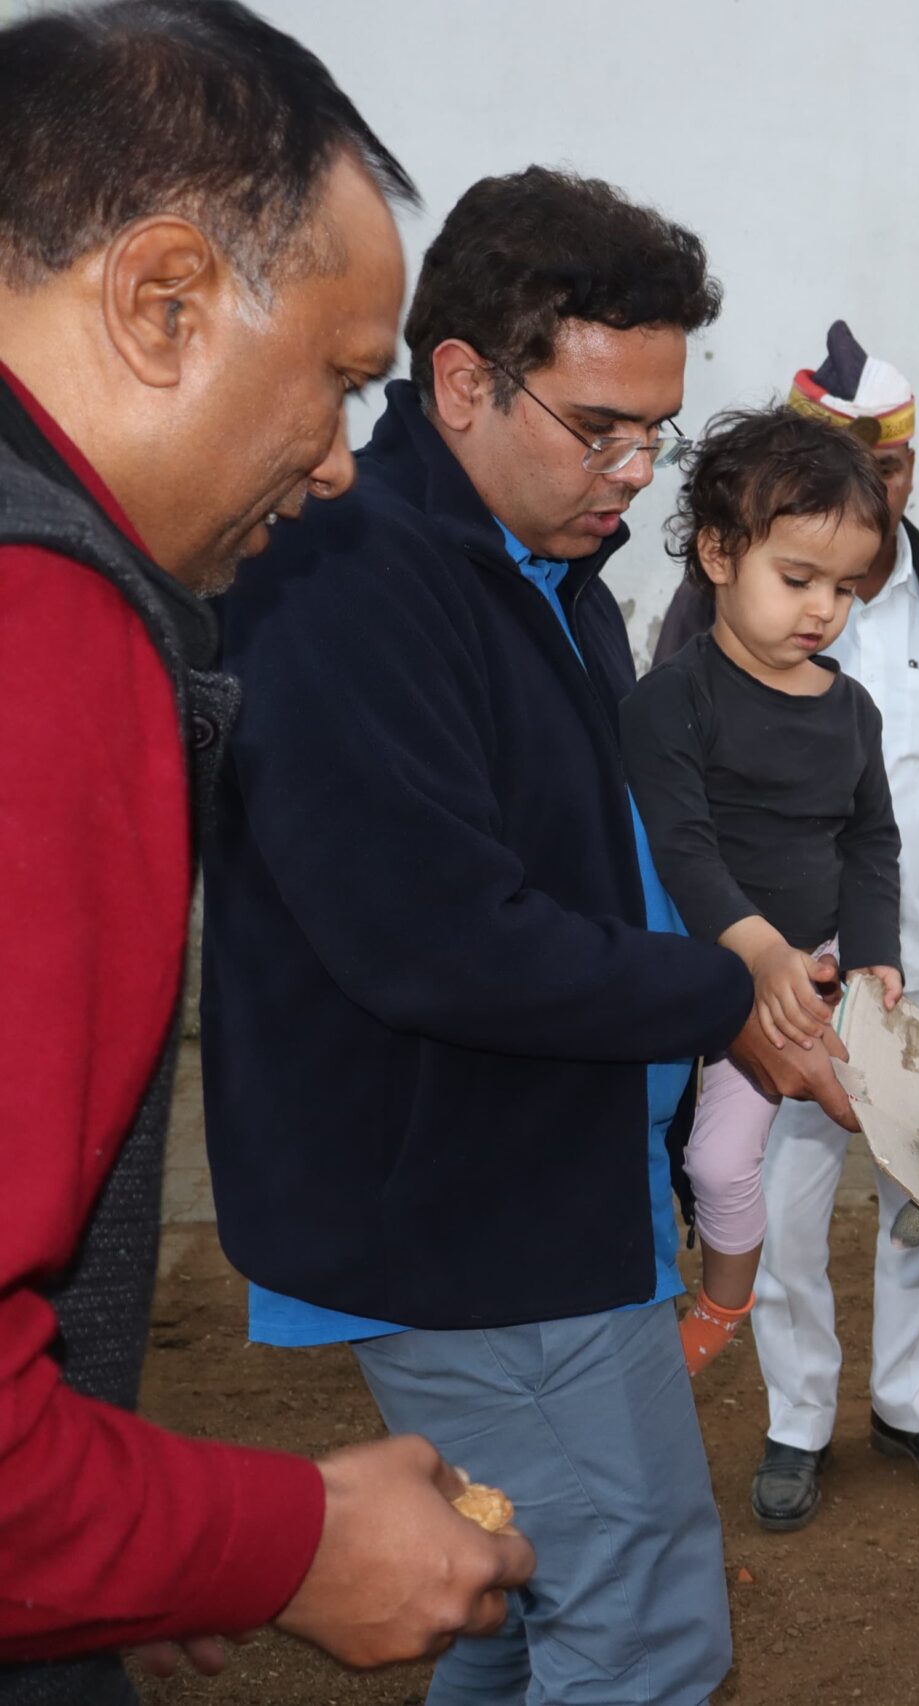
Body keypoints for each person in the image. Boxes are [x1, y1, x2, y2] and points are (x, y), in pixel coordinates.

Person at [201, 167, 847, 1705]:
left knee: (502, 1612)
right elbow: (439, 936)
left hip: (549, 1182)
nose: (635, 469)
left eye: (656, 430)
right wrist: (717, 992)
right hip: (476, 1228)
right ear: (464, 381)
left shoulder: (537, 572)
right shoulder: (344, 580)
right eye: (600, 426)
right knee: (643, 1635)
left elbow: (579, 864)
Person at [0, 3, 531, 1695]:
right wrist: (274, 1539)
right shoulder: (48, 629)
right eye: (337, 381)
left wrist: (118, 1553)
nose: (333, 466)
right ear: (164, 303)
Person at [655, 322, 919, 1517]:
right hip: (783, 981)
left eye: (890, 463)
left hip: (915, 970)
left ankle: (909, 1397)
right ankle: (798, 1415)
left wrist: (906, 948)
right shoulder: (708, 636)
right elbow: (681, 816)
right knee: (787, 1203)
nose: (823, 603)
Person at [623, 405, 905, 1376]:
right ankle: (686, 1286)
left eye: (843, 587)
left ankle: (722, 1301)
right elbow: (682, 845)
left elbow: (872, 840)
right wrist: (752, 945)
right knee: (673, 1157)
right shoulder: (670, 698)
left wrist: (872, 959)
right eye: (796, 578)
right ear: (716, 553)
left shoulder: (851, 710)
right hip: (696, 972)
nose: (821, 608)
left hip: (806, 982)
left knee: (722, 1159)